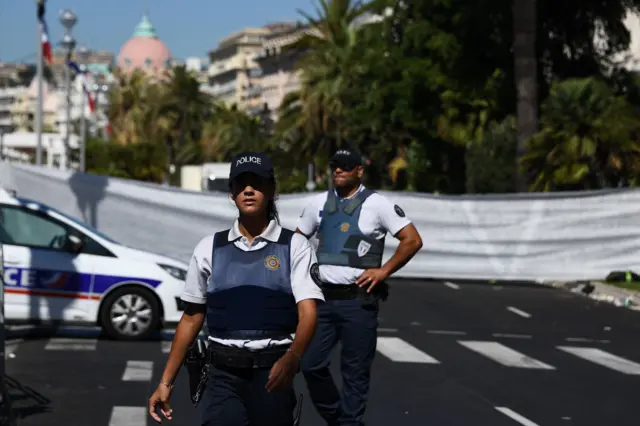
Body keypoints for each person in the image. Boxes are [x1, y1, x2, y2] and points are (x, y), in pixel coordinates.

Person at [149, 151, 324, 426]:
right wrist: (165, 383)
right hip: (222, 376)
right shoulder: (209, 248)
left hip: (272, 374)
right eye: (241, 184)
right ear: (231, 193)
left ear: (272, 191)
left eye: (257, 183)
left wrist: (292, 357)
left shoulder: (295, 247)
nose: (249, 190)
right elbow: (191, 318)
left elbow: (309, 313)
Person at [296, 146, 423, 426]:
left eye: (345, 165)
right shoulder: (316, 203)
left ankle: (349, 423)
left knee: (355, 372)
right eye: (334, 166)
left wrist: (383, 271)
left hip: (359, 301)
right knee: (310, 364)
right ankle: (340, 421)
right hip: (322, 301)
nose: (338, 170)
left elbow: (412, 240)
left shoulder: (378, 205)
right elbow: (296, 243)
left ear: (359, 171)